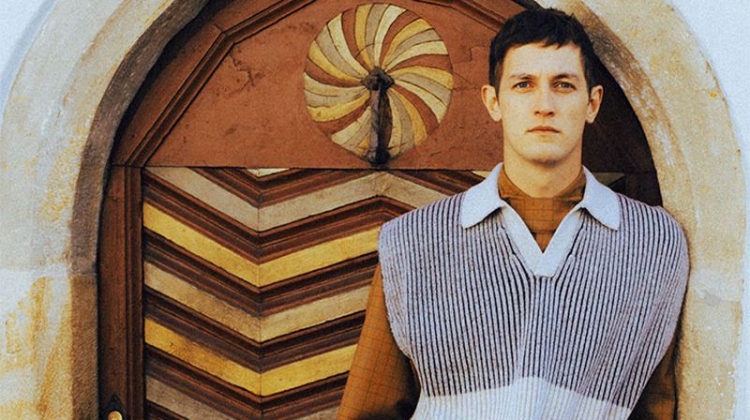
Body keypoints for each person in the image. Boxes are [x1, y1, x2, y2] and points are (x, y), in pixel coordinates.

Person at [337, 8, 688, 420]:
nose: (544, 105)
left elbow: (656, 406)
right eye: (524, 84)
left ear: (592, 103)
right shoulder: (415, 243)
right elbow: (370, 410)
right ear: (494, 101)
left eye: (563, 85)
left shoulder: (653, 244)